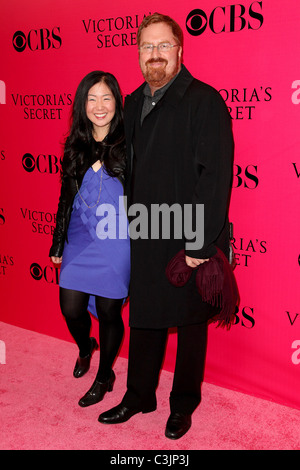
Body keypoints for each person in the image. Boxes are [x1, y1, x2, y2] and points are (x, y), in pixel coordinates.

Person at [98, 13, 234, 439]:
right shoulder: (134, 101)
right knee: (146, 316)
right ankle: (139, 395)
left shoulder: (204, 100)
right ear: (138, 54)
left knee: (190, 324)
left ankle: (183, 404)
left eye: (163, 46)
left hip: (188, 234)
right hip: (144, 231)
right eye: (146, 47)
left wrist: (200, 242)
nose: (154, 54)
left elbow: (214, 176)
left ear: (179, 50)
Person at [49, 71, 130, 408]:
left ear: (116, 102)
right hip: (80, 238)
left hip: (117, 239)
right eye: (91, 98)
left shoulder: (130, 144)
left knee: (111, 313)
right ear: (83, 105)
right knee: (71, 307)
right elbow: (65, 198)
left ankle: (104, 375)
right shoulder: (76, 146)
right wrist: (57, 243)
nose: (99, 106)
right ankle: (86, 347)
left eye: (106, 98)